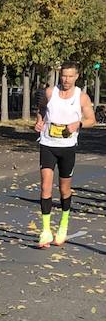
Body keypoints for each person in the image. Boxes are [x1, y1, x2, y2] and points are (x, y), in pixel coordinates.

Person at [34, 61, 95, 248]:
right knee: (45, 186)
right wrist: (39, 122)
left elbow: (92, 119)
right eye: (63, 75)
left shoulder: (81, 97)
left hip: (68, 146)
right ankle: (45, 231)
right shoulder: (50, 93)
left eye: (70, 76)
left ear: (77, 76)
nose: (66, 79)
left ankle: (63, 224)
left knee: (64, 189)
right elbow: (41, 109)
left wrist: (78, 124)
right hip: (48, 143)